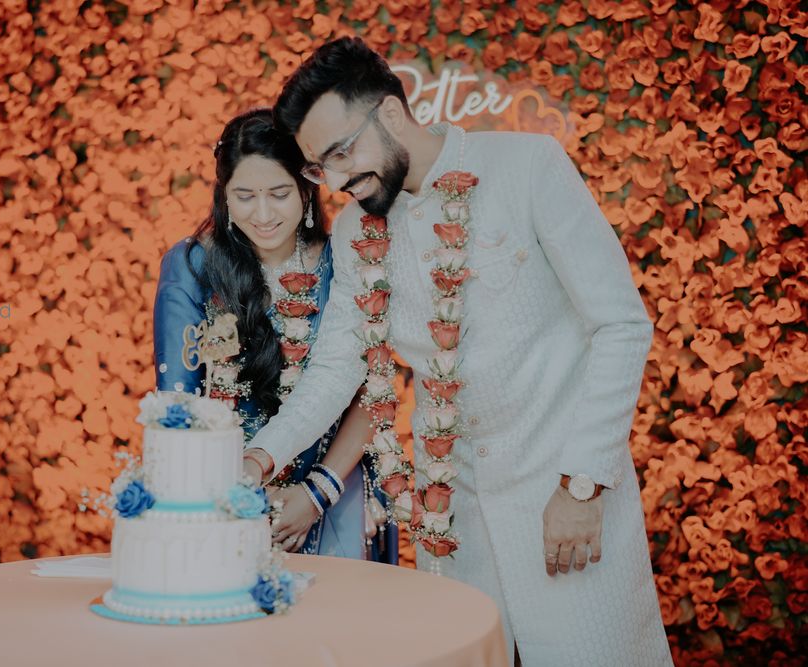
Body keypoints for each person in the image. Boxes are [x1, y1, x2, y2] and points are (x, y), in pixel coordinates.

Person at [243, 37, 672, 666]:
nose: (334, 182)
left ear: (392, 114)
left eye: (340, 153)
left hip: (566, 500)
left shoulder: (526, 167)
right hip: (454, 520)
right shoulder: (359, 229)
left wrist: (583, 484)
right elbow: (336, 367)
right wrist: (257, 458)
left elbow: (620, 325)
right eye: (318, 167)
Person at [153, 108, 396, 562]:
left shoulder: (347, 260)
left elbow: (374, 390)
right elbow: (178, 407)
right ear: (224, 195)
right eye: (244, 196)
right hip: (224, 493)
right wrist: (235, 495)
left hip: (334, 488)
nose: (263, 214)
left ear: (306, 189)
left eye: (279, 194)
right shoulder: (192, 267)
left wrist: (317, 493)